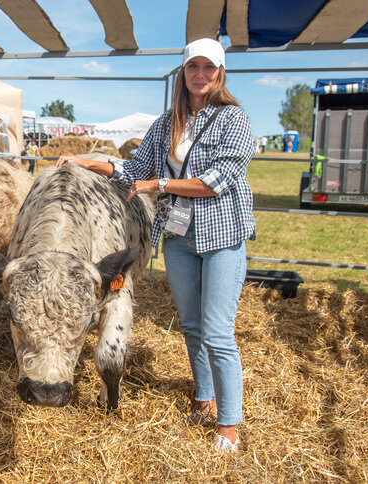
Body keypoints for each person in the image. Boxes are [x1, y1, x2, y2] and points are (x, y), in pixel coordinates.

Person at [56, 38, 255, 454]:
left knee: (218, 332)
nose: (200, 74)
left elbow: (216, 181)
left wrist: (160, 185)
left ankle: (229, 425)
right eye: (193, 67)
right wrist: (87, 162)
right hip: (181, 237)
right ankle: (204, 398)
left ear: (220, 73)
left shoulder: (233, 119)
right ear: (184, 72)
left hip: (221, 236)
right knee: (193, 326)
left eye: (208, 67)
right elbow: (136, 168)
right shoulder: (169, 122)